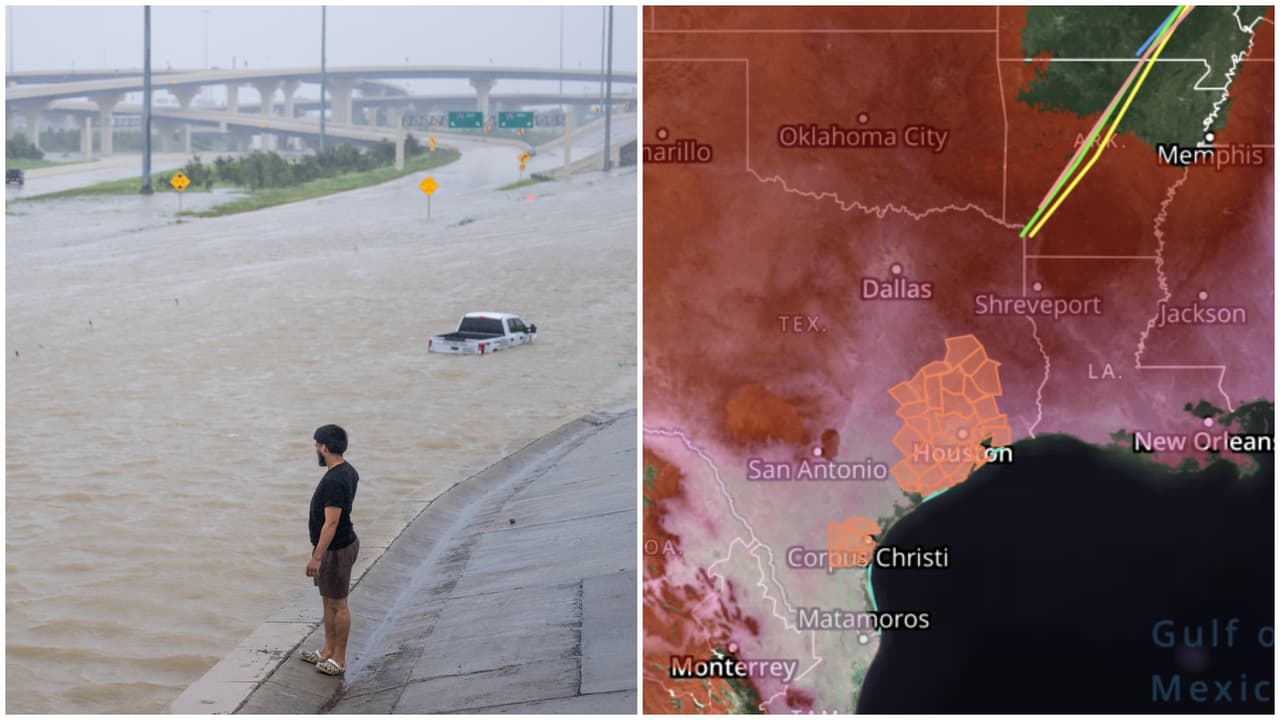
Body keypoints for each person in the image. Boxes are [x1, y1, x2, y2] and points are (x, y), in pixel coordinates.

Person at [298, 424, 360, 676]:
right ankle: (327, 651)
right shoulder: (348, 470)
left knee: (339, 603)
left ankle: (339, 660)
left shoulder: (335, 480)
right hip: (337, 546)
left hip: (336, 549)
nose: (315, 449)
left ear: (324, 447)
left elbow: (332, 522)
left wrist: (317, 556)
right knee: (328, 600)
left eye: (316, 445)